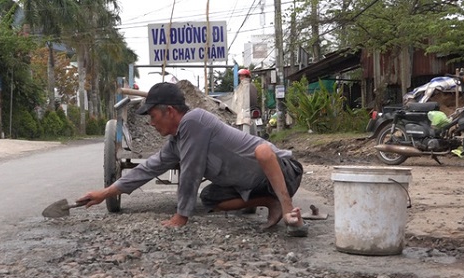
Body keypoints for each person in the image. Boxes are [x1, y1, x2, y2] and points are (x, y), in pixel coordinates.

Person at [78, 82, 307, 236]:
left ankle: (289, 212)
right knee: (209, 198)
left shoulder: (194, 121)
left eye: (153, 116)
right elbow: (147, 169)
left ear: (169, 111)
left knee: (263, 151)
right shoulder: (175, 142)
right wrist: (104, 193)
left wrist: (181, 216)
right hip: (256, 186)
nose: (151, 122)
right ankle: (270, 202)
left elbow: (191, 171)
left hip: (284, 173)